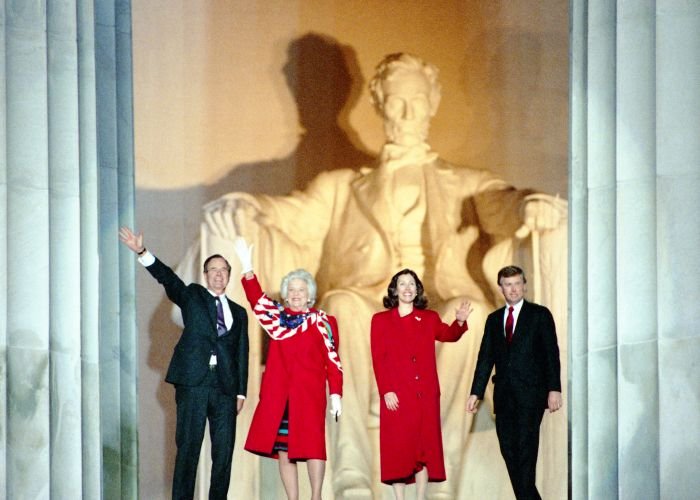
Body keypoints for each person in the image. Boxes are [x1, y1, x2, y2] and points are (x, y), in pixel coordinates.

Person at [186, 53, 567, 497]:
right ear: (380, 105)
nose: (406, 113)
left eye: (416, 101)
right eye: (396, 101)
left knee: (475, 311)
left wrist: (529, 208)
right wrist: (244, 207)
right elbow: (289, 215)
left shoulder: (466, 182)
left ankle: (440, 480)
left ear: (433, 103)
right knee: (341, 306)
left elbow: (503, 203)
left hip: (433, 308)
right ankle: (351, 476)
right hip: (368, 304)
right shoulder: (340, 187)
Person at [118, 227, 249, 500]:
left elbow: (242, 352)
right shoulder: (193, 296)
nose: (218, 274)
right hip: (193, 383)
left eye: (223, 270)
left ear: (229, 275)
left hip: (225, 389)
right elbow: (168, 279)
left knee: (224, 455)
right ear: (205, 275)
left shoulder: (239, 313)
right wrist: (142, 252)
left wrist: (241, 392)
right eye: (213, 269)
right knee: (188, 449)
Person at [232, 238, 343, 500]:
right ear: (285, 293)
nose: (296, 294)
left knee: (314, 447)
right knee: (284, 449)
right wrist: (247, 267)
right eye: (291, 289)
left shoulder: (323, 322)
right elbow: (256, 299)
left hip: (309, 394)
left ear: (310, 294)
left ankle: (316, 496)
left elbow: (333, 360)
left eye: (301, 290)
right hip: (279, 395)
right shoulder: (277, 318)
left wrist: (336, 394)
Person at [371, 269, 472, 500]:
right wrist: (386, 390)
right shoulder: (380, 320)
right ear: (394, 290)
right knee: (398, 448)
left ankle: (420, 497)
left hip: (424, 396)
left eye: (412, 284)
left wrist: (459, 321)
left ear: (417, 290)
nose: (407, 288)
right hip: (396, 395)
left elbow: (448, 335)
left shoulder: (429, 318)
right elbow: (378, 359)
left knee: (423, 449)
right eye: (402, 284)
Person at [467, 265, 562, 500]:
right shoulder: (493, 320)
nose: (513, 289)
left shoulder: (539, 315)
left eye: (517, 283)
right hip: (504, 397)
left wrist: (554, 389)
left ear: (524, 286)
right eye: (508, 285)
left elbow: (551, 354)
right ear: (501, 288)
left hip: (531, 396)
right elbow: (485, 358)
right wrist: (476, 392)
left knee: (526, 455)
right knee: (509, 452)